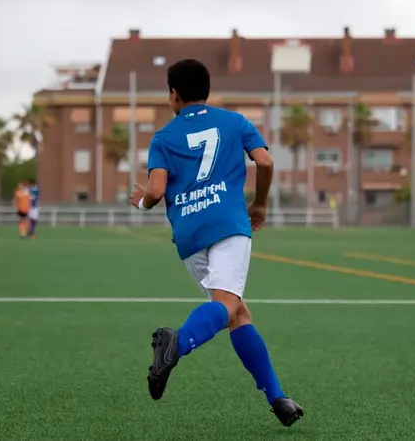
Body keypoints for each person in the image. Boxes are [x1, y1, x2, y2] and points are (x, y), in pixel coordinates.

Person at [129, 59, 303, 427]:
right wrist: (260, 203)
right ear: (206, 90)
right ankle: (176, 342)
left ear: (173, 95)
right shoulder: (235, 122)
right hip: (228, 224)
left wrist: (142, 200)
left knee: (236, 312)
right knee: (226, 305)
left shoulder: (162, 138)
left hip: (189, 235)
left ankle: (278, 398)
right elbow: (266, 162)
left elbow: (156, 192)